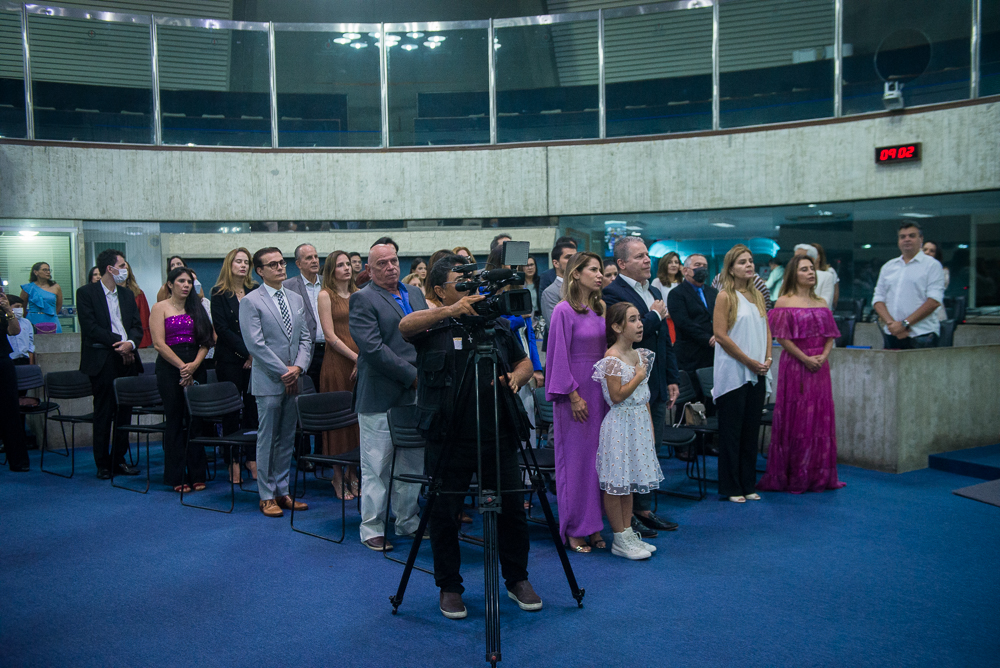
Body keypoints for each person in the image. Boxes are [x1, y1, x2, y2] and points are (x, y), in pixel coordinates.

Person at [399, 254, 541, 619]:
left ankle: (517, 579)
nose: (469, 290)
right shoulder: (433, 325)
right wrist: (451, 311)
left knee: (512, 510)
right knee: (444, 513)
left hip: (498, 430)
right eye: (459, 284)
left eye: (472, 282)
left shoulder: (494, 324)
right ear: (438, 291)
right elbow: (404, 325)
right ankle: (449, 586)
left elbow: (523, 361)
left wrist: (518, 376)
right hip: (448, 435)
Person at [349, 237, 428, 551]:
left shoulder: (415, 293)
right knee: (377, 466)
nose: (390, 267)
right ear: (369, 270)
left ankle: (407, 521)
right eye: (381, 263)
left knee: (412, 463)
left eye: (393, 260)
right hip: (380, 394)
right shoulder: (362, 298)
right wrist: (412, 376)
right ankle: (372, 528)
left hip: (418, 392)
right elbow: (372, 349)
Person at [601, 237, 680, 536]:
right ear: (622, 263)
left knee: (650, 450)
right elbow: (626, 334)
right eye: (639, 256)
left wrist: (672, 377)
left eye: (647, 255)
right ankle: (628, 516)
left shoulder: (654, 291)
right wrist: (655, 315)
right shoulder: (612, 293)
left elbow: (664, 340)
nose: (647, 260)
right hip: (629, 383)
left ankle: (644, 510)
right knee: (629, 455)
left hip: (654, 381)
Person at [757, 255, 845, 494]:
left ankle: (818, 474)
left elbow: (830, 335)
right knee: (797, 417)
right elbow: (782, 338)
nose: (810, 273)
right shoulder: (783, 301)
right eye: (804, 269)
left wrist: (823, 356)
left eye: (812, 269)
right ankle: (796, 473)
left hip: (819, 366)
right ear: (793, 274)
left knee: (819, 417)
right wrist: (806, 359)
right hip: (796, 364)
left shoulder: (822, 302)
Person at [239, 247, 312, 518]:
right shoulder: (251, 301)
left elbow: (305, 338)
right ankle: (266, 495)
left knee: (287, 438)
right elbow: (255, 345)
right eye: (273, 265)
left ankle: (282, 491)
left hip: (294, 377)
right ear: (259, 271)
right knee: (267, 439)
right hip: (270, 380)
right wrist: (285, 372)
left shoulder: (295, 298)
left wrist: (298, 368)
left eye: (282, 263)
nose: (280, 267)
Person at [545, 251, 607, 553]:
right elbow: (558, 356)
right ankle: (574, 528)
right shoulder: (563, 310)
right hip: (575, 395)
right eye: (593, 270)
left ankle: (594, 525)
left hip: (600, 392)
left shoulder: (600, 308)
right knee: (576, 464)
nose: (600, 275)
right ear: (576, 274)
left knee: (598, 463)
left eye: (600, 270)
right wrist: (573, 395)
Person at [593, 303, 664, 560]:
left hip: (638, 423)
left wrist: (650, 428)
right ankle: (619, 537)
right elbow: (616, 396)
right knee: (616, 484)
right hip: (620, 424)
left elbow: (645, 397)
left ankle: (628, 532)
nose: (640, 324)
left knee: (629, 481)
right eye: (632, 320)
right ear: (616, 326)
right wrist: (638, 376)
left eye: (639, 319)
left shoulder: (640, 355)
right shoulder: (611, 358)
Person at [712, 244, 772, 503]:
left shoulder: (757, 295)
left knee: (750, 432)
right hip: (733, 373)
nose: (749, 265)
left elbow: (766, 329)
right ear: (731, 269)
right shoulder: (725, 296)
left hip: (758, 371)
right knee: (732, 433)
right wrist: (749, 361)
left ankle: (748, 484)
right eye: (742, 262)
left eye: (750, 261)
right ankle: (731, 487)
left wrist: (767, 359)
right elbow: (720, 335)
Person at [77, 248, 143, 480]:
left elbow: (136, 326)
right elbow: (91, 327)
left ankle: (119, 459)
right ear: (110, 268)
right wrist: (119, 343)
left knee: (125, 412)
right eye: (122, 266)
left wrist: (130, 344)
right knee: (104, 412)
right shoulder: (86, 293)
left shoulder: (127, 295)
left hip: (128, 358)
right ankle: (102, 463)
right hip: (103, 358)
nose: (126, 270)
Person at [149, 267, 213, 492]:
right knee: (175, 421)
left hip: (196, 365)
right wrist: (182, 368)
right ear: (170, 284)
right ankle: (176, 477)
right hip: (170, 368)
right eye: (181, 281)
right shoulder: (159, 307)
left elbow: (207, 341)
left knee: (196, 421)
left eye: (189, 282)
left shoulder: (197, 307)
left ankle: (197, 473)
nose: (186, 285)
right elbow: (159, 344)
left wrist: (193, 366)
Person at [211, 247, 259, 484]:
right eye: (238, 261)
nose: (243, 265)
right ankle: (233, 461)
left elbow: (260, 324)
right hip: (229, 359)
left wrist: (254, 354)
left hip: (255, 359)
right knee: (230, 412)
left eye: (246, 262)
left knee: (253, 410)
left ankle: (252, 458)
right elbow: (222, 329)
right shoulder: (219, 292)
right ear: (229, 265)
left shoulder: (255, 289)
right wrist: (247, 352)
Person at [316, 250, 361, 499]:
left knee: (356, 420)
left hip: (359, 362)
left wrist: (362, 358)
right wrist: (355, 358)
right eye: (341, 265)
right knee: (337, 421)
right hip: (337, 363)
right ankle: (336, 475)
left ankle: (353, 473)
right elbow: (330, 336)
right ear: (331, 270)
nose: (347, 268)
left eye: (348, 264)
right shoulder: (325, 295)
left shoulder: (358, 294)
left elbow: (365, 329)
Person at [283, 244, 326, 471]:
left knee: (325, 402)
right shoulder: (288, 286)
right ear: (298, 263)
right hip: (302, 352)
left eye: (316, 256)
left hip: (328, 350)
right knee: (300, 403)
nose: (314, 261)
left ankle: (322, 452)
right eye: (308, 258)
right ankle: (302, 454)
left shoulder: (327, 283)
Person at [873, 222, 946, 350]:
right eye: (902, 237)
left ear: (921, 239)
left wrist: (904, 324)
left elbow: (934, 301)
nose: (906, 239)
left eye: (911, 236)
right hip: (892, 334)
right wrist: (892, 324)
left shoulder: (932, 266)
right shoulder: (888, 267)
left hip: (922, 335)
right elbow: (878, 299)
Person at [668, 253, 718, 404]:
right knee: (690, 404)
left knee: (711, 403)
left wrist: (718, 336)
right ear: (685, 270)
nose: (702, 269)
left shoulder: (713, 292)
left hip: (711, 356)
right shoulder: (676, 294)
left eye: (704, 266)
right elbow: (684, 323)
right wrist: (708, 338)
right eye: (697, 265)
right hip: (689, 356)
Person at [0, 285, 30, 471]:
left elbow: (14, 331)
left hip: (2, 360)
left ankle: (18, 461)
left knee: (10, 412)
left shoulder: (3, 311)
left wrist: (8, 310)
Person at [540, 241, 578, 329]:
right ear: (556, 263)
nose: (574, 261)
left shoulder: (584, 286)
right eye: (568, 257)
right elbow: (555, 327)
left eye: (576, 257)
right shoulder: (550, 292)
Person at [20, 262, 63, 333]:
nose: (48, 272)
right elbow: (22, 306)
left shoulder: (56, 287)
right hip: (33, 319)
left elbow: (59, 305)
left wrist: (52, 314)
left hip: (52, 320)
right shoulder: (28, 287)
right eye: (44, 270)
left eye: (49, 270)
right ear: (36, 272)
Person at [121, 261, 152, 348]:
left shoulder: (138, 293)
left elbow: (144, 317)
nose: (123, 271)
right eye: (121, 268)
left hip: (136, 337)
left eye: (126, 269)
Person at [922, 241, 950, 323]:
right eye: (925, 250)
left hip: (935, 314)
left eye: (932, 251)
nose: (927, 252)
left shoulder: (942, 271)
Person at [6, 296, 34, 365]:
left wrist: (31, 362)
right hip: (10, 359)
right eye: (17, 306)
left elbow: (30, 343)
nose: (20, 309)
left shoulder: (26, 322)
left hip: (24, 358)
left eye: (21, 307)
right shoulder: (4, 322)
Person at [811, 243, 839, 311]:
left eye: (816, 254)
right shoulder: (802, 273)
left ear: (820, 256)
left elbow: (835, 294)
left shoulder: (829, 271)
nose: (813, 256)